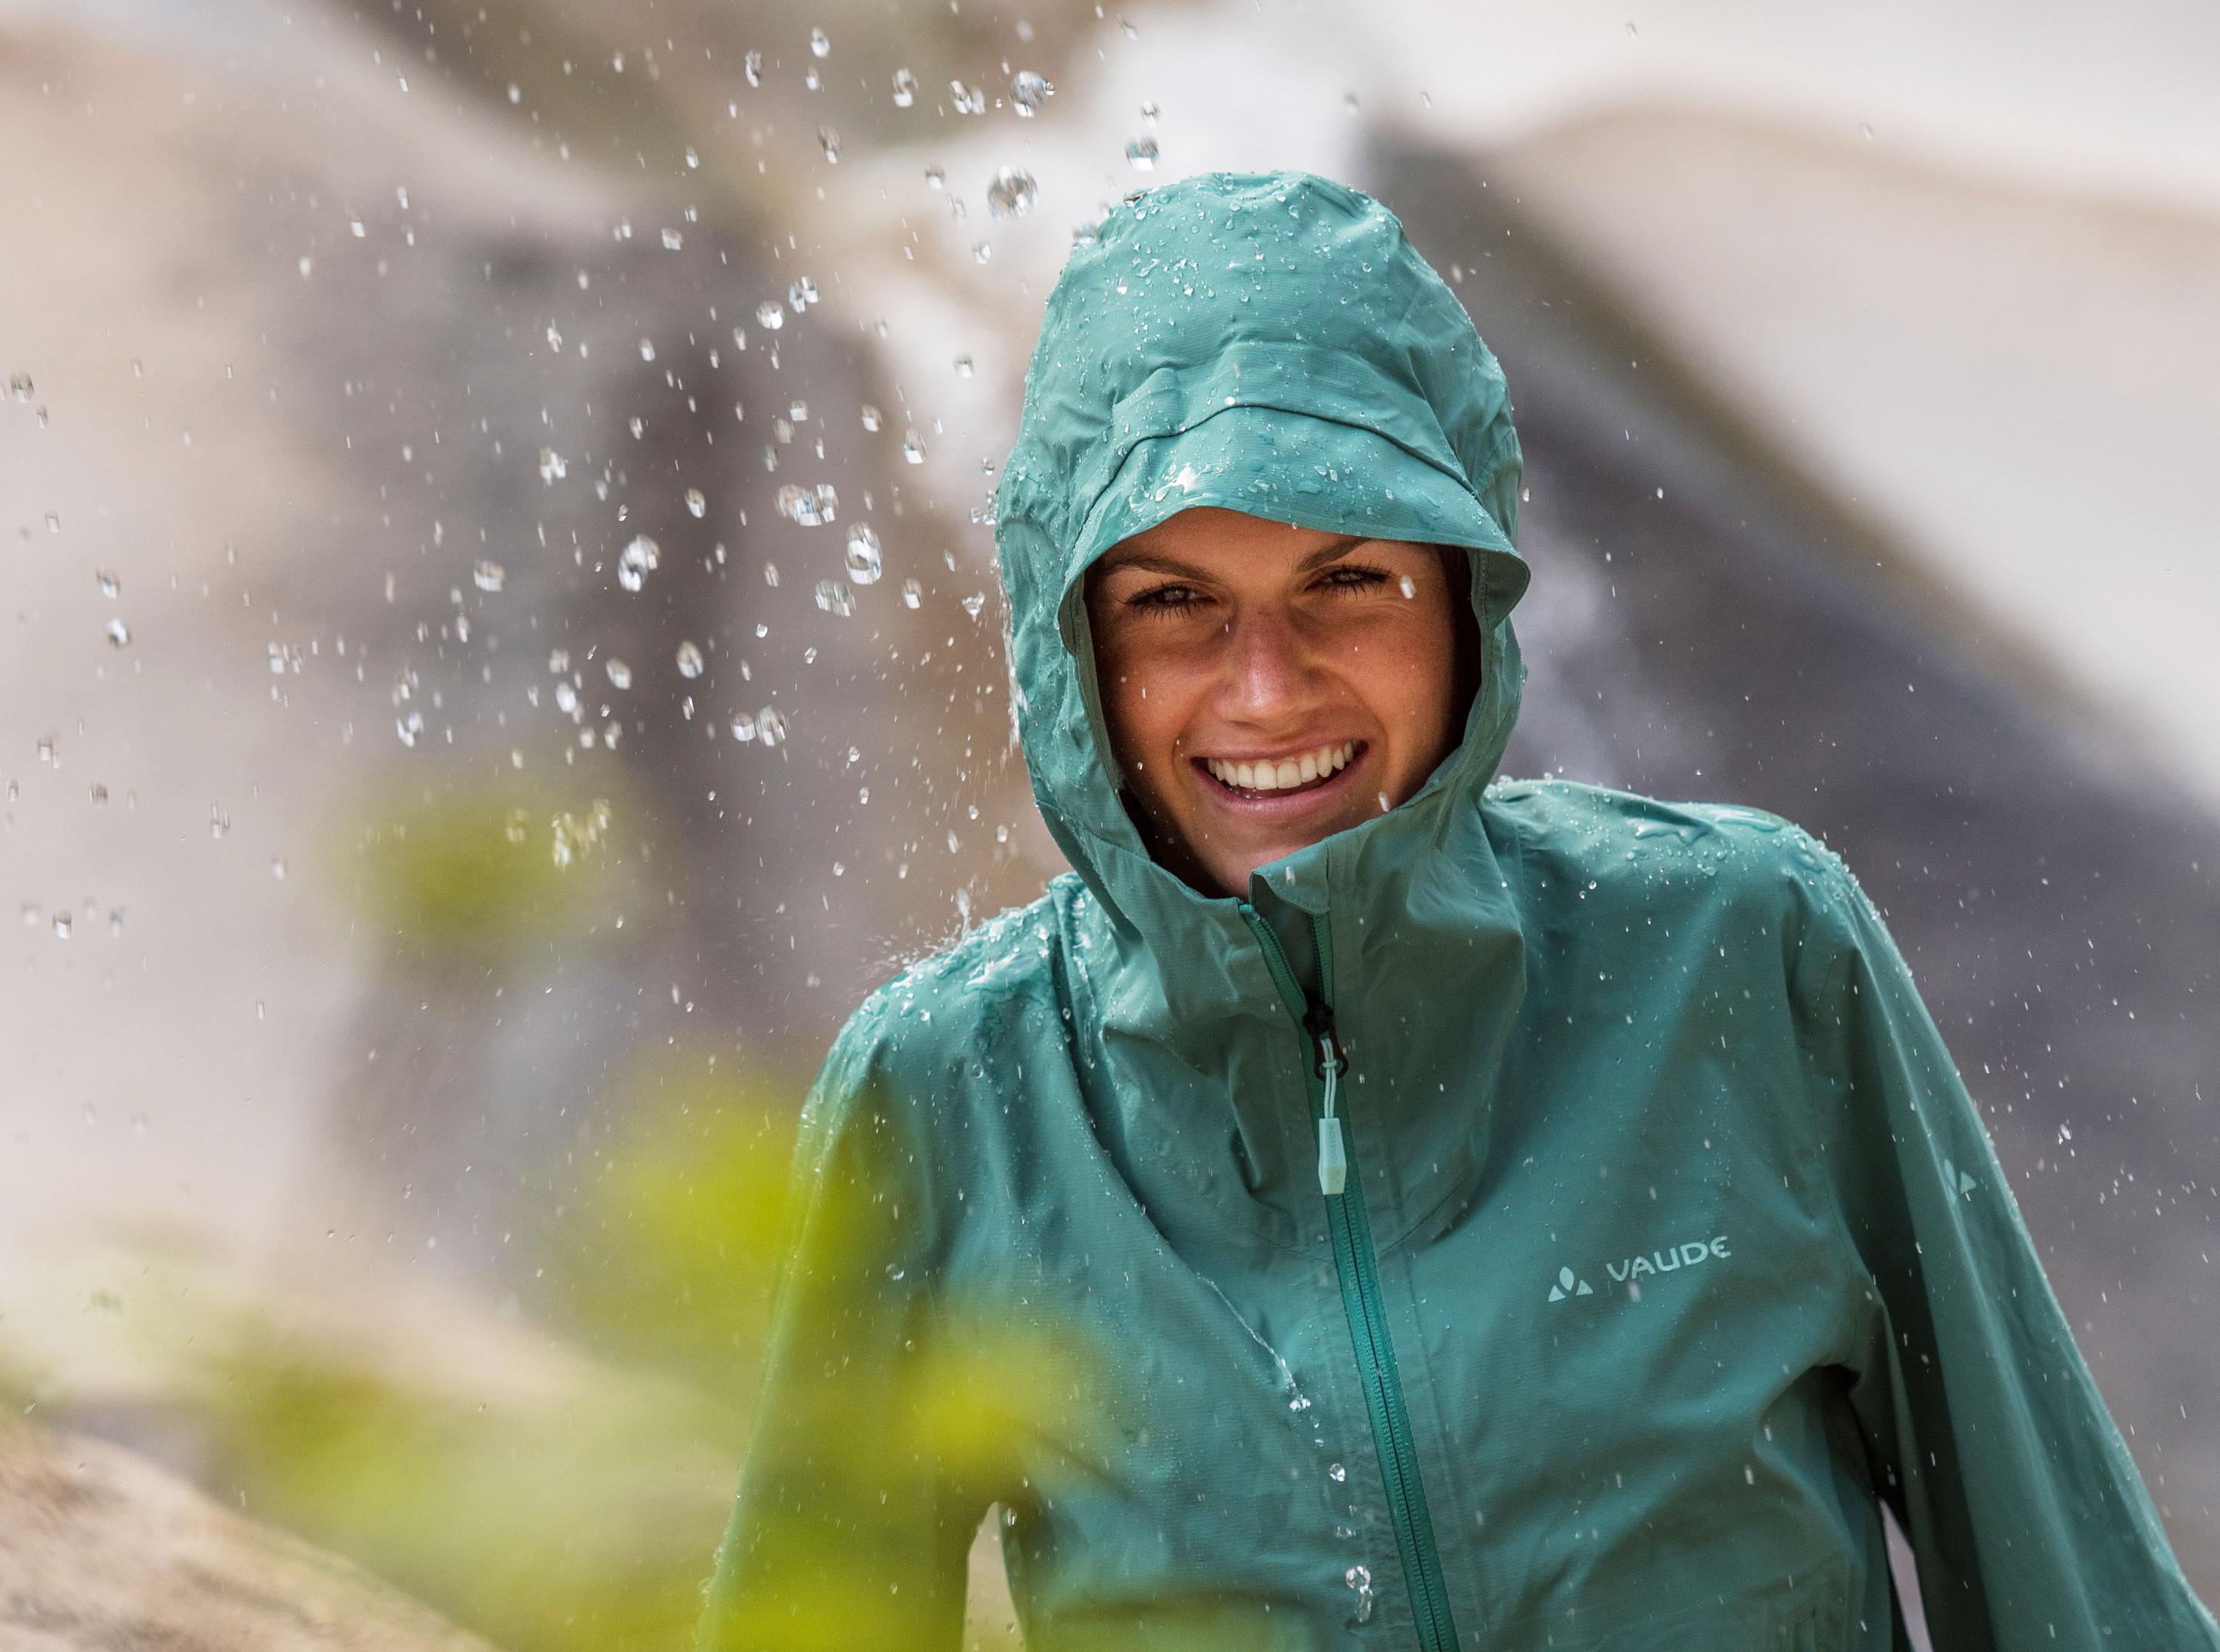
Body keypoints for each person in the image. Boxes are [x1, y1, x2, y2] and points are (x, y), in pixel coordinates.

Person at [695, 171, 2219, 1650]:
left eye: (1346, 581)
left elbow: (2064, 1594)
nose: (1263, 687)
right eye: (1172, 603)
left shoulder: (1747, 950)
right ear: (1066, 638)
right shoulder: (953, 1095)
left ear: (1463, 600)